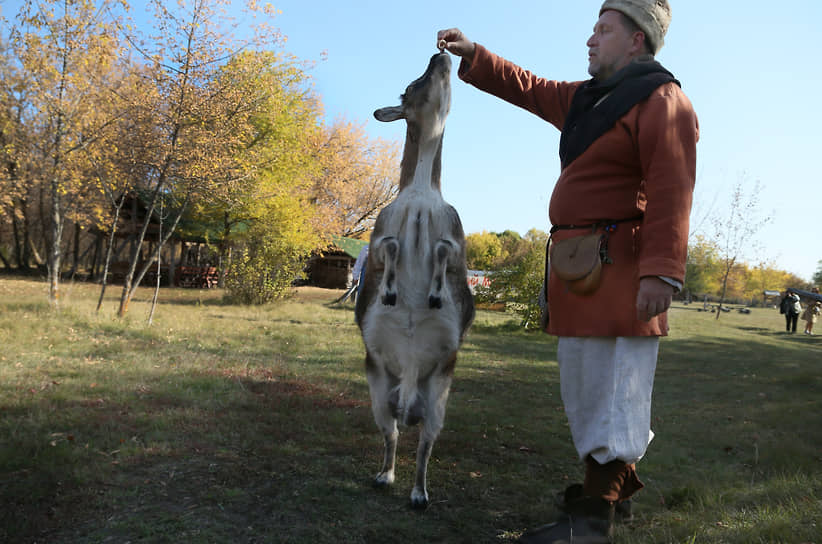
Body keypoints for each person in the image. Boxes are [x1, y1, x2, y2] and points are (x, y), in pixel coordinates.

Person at [438, 1, 698, 542]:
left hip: (626, 269)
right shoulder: (584, 99)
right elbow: (526, 86)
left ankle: (591, 522)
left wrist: (660, 272)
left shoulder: (662, 100)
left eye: (603, 30)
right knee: (585, 389)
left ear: (636, 40)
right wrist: (475, 55)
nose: (590, 39)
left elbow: (672, 190)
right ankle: (606, 492)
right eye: (593, 28)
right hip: (579, 267)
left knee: (617, 391)